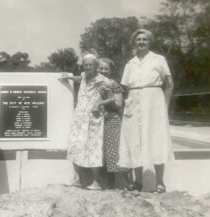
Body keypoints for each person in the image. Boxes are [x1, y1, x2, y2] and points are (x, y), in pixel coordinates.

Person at [118, 29, 174, 193]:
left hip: (154, 100)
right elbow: (122, 87)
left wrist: (165, 105)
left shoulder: (158, 59)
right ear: (134, 43)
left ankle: (160, 183)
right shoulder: (130, 63)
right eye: (138, 40)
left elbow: (169, 83)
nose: (141, 42)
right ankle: (138, 182)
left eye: (145, 39)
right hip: (134, 100)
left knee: (157, 139)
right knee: (134, 140)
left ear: (149, 42)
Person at [61, 53, 110, 190]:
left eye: (91, 65)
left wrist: (101, 103)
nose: (88, 67)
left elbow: (115, 97)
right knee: (75, 145)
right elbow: (78, 78)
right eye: (86, 65)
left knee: (93, 148)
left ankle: (97, 182)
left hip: (93, 119)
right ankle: (77, 178)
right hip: (79, 117)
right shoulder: (83, 76)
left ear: (96, 66)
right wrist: (68, 77)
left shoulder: (103, 80)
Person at [95, 58, 132, 188]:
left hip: (112, 120)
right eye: (101, 68)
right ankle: (98, 184)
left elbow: (119, 105)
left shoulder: (114, 84)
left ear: (111, 71)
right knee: (98, 152)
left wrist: (109, 94)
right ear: (96, 69)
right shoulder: (93, 83)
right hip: (97, 121)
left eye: (106, 68)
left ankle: (115, 185)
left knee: (113, 153)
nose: (103, 71)